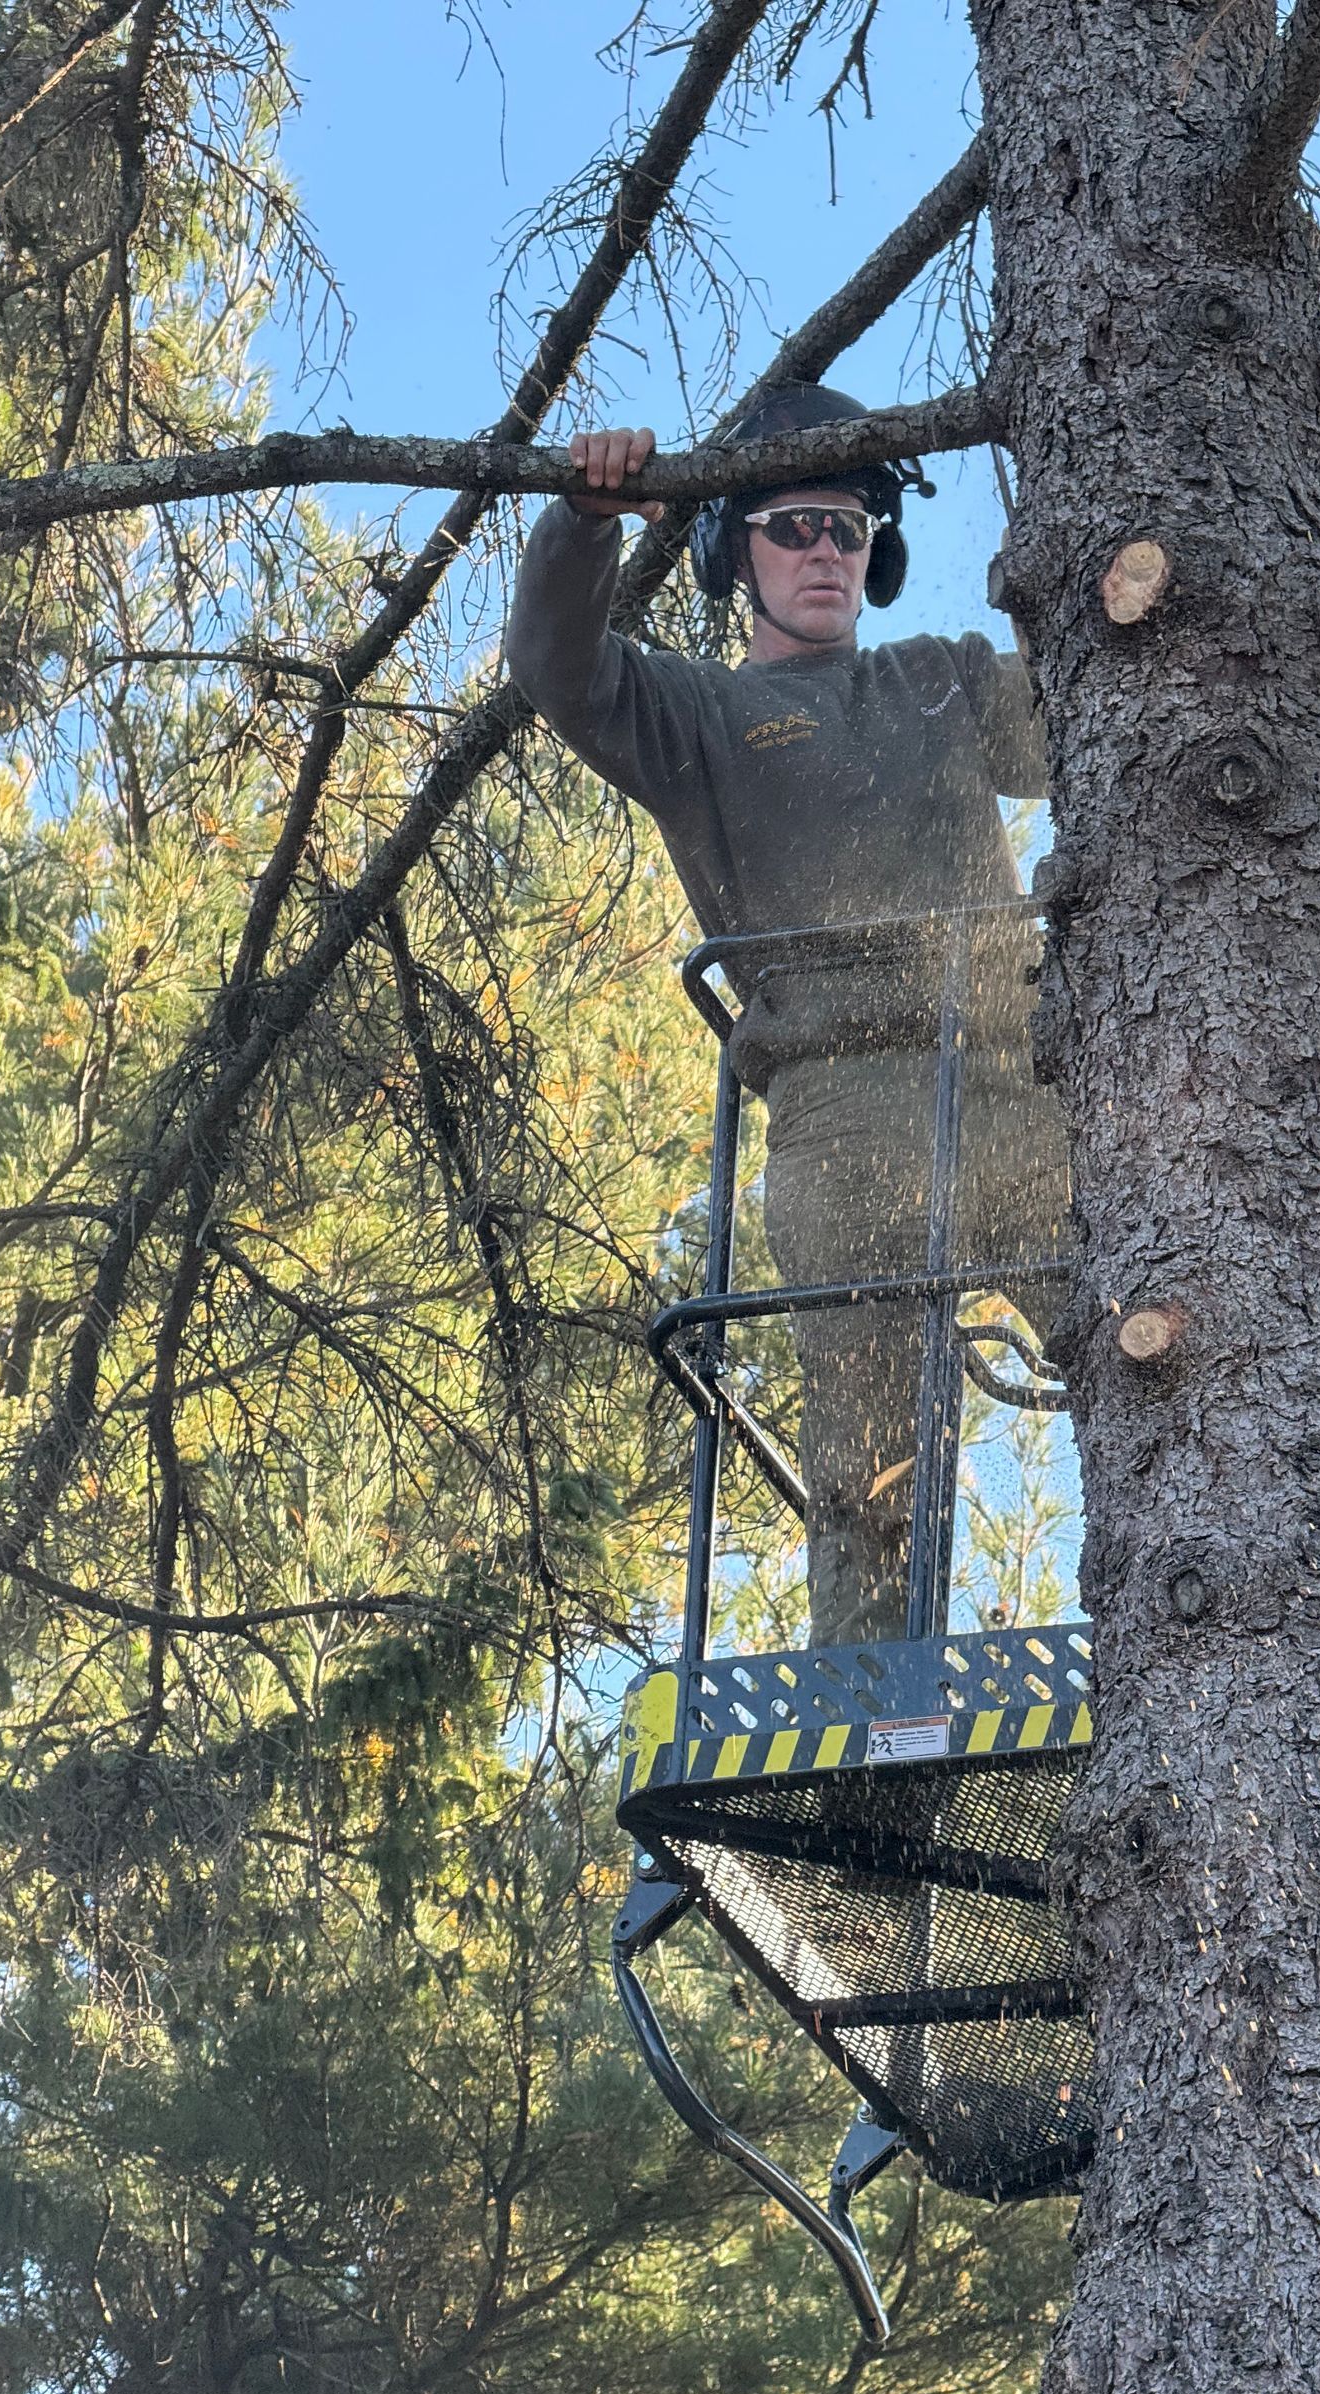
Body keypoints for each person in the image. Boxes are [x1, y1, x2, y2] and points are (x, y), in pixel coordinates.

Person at [504, 384, 1069, 1648]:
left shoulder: (941, 682)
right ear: (732, 553)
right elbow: (556, 666)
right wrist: (585, 521)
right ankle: (867, 1726)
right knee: (872, 1461)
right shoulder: (693, 714)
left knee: (1157, 1329)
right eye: (797, 526)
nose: (826, 552)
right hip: (842, 1111)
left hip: (1016, 1085)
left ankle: (1200, 1647)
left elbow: (1101, 709)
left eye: (850, 531)